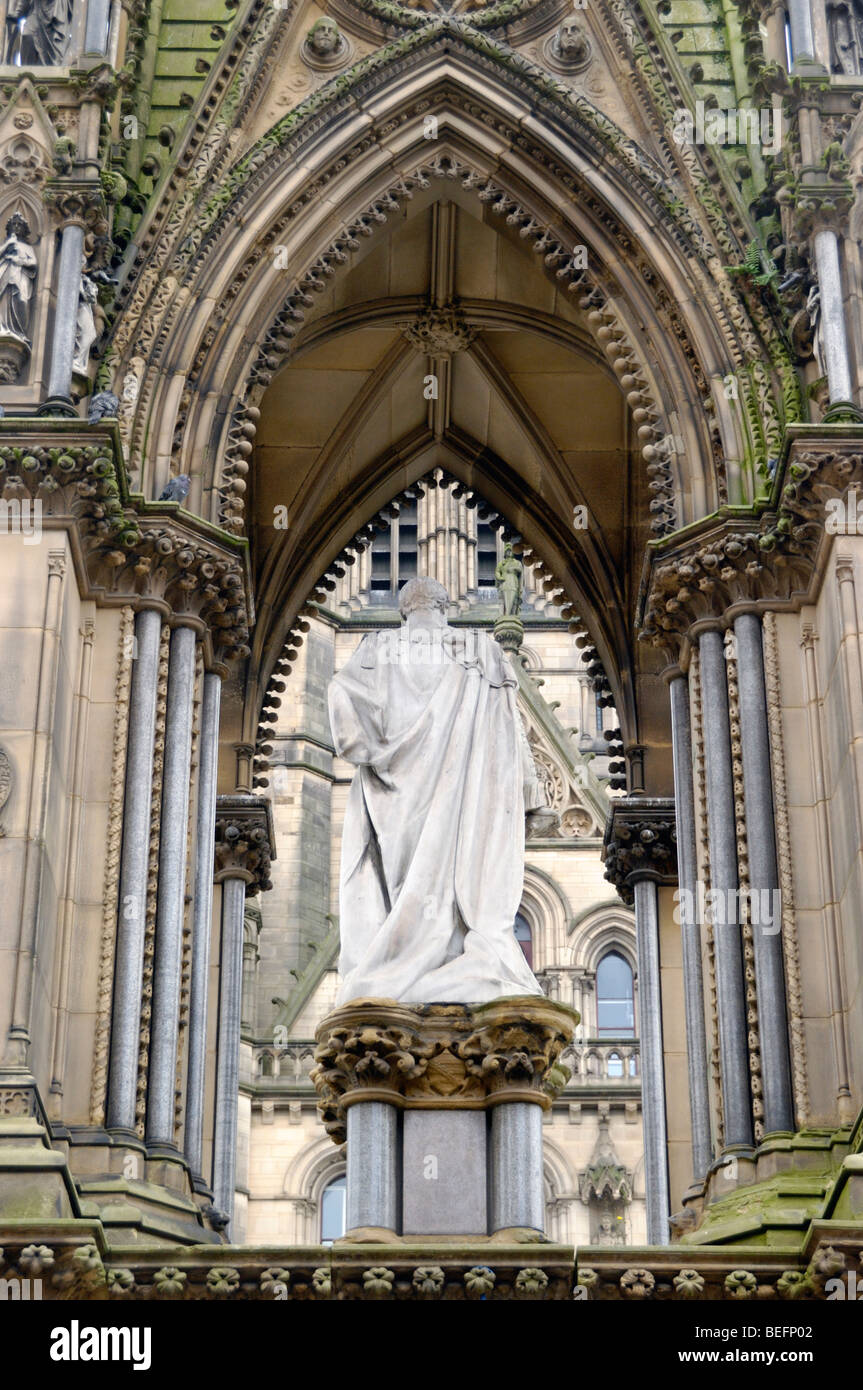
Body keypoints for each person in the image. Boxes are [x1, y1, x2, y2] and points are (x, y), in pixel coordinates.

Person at [328, 576, 545, 1004]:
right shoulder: (481, 649)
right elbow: (510, 732)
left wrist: (373, 747)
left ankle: (399, 964)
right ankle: (454, 955)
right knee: (454, 873)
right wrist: (529, 793)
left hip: (396, 799)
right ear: (446, 607)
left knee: (406, 880)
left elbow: (341, 699)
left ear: (403, 611)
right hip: (462, 799)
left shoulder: (377, 647)